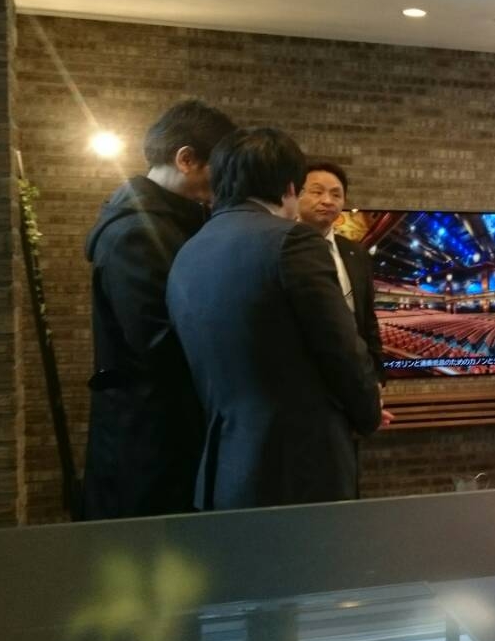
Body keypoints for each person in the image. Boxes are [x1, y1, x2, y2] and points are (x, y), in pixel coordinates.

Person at [167, 127, 383, 509]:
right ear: (289, 187)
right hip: (298, 468)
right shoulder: (292, 241)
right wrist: (368, 413)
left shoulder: (190, 250)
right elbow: (340, 346)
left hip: (224, 464)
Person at [82, 98, 237, 519]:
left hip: (169, 429)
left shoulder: (175, 221)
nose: (225, 183)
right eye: (219, 168)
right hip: (149, 438)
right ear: (186, 160)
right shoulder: (136, 231)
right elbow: (158, 342)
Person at [296, 161, 385, 381]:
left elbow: (368, 319)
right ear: (296, 194)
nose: (327, 201)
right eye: (317, 192)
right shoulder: (277, 247)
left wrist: (376, 375)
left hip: (353, 375)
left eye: (336, 194)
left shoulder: (356, 253)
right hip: (301, 377)